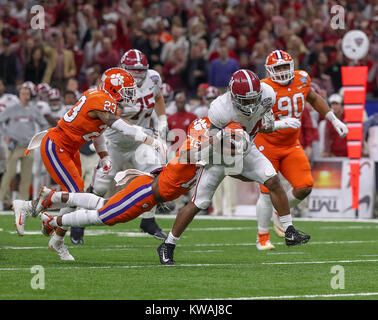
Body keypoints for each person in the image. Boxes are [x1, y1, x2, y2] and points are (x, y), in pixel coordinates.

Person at [26, 117, 239, 260]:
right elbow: (188, 155)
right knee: (106, 216)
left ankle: (54, 197)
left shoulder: (210, 156)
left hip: (148, 189)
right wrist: (217, 138)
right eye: (227, 144)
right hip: (146, 192)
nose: (229, 149)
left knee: (104, 205)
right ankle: (53, 220)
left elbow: (228, 162)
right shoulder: (194, 149)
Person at [157, 69, 311, 265]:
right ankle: (168, 244)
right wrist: (225, 137)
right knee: (199, 203)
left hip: (247, 149)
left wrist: (276, 125)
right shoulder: (220, 109)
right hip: (219, 155)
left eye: (253, 99)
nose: (250, 104)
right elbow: (208, 144)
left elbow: (261, 123)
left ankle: (289, 231)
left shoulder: (268, 94)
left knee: (272, 179)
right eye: (244, 101)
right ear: (232, 95)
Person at [12, 68, 166, 260]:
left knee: (77, 197)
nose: (130, 93)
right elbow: (121, 127)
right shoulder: (102, 100)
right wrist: (149, 140)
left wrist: (103, 156)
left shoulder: (102, 99)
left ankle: (57, 240)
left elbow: (98, 130)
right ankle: (27, 206)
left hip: (70, 148)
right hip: (57, 145)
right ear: (114, 87)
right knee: (77, 195)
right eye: (126, 89)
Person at [253, 50, 348, 250]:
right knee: (265, 192)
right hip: (267, 144)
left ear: (292, 66)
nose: (281, 72)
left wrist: (333, 118)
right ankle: (262, 238)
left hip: (290, 144)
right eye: (276, 68)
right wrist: (279, 123)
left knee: (305, 186)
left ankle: (281, 213)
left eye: (284, 67)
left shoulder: (302, 79)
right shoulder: (263, 88)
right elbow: (254, 120)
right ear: (269, 70)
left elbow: (313, 98)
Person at [91, 49, 169, 240]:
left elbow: (158, 97)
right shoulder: (112, 79)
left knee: (153, 175)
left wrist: (163, 120)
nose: (138, 74)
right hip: (114, 139)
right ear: (123, 68)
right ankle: (80, 222)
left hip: (140, 140)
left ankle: (148, 220)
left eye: (142, 70)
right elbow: (103, 111)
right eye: (133, 70)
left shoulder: (154, 78)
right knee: (101, 187)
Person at [0, 86, 48, 208]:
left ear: (30, 95)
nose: (25, 96)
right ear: (19, 95)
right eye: (23, 93)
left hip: (28, 146)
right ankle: (1, 199)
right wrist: (5, 135)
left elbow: (43, 124)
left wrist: (38, 138)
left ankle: (24, 204)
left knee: (26, 176)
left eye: (27, 93)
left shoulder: (33, 110)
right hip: (14, 145)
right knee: (9, 173)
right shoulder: (11, 109)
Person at [322, 93, 347, 157]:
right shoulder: (329, 119)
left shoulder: (348, 117)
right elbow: (327, 136)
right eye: (332, 104)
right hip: (334, 153)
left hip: (348, 153)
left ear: (342, 105)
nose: (334, 106)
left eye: (337, 104)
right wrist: (326, 151)